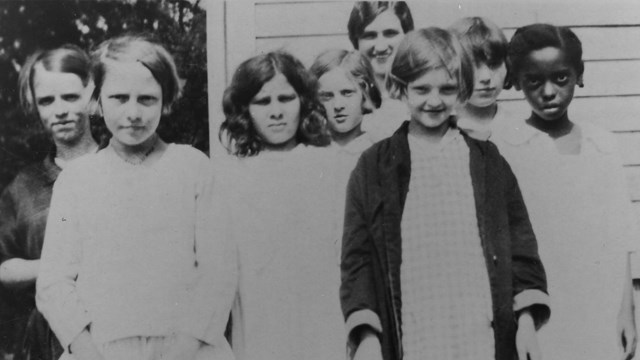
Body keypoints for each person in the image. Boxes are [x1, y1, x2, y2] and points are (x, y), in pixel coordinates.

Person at [340, 27, 550, 360]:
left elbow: (521, 250)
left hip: (479, 333)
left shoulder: (489, 163)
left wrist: (525, 324)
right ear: (400, 86)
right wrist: (366, 337)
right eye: (422, 89)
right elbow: (357, 260)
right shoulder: (374, 167)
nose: (435, 101)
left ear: (463, 88)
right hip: (414, 333)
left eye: (447, 88)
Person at [36, 35, 236, 360]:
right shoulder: (77, 179)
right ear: (96, 101)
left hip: (188, 348)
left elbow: (219, 272)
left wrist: (182, 351)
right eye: (119, 97)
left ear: (166, 101)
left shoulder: (192, 168)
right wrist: (88, 352)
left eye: (146, 99)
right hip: (101, 349)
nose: (133, 113)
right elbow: (54, 283)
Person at [499, 23, 637, 360]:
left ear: (579, 75)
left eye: (560, 78)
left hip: (599, 302)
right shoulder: (508, 146)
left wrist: (627, 310)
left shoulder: (602, 145)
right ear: (517, 81)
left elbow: (619, 236)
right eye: (534, 81)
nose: (548, 92)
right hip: (543, 303)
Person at [217, 51, 344, 360]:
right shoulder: (228, 176)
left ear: (303, 101)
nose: (276, 112)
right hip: (259, 320)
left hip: (323, 320)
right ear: (244, 109)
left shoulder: (330, 164)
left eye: (286, 99)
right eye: (262, 102)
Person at [0, 45, 98, 360]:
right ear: (34, 105)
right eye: (47, 100)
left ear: (92, 95)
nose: (60, 110)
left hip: (120, 329)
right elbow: (5, 266)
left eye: (70, 97)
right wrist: (63, 268)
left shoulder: (122, 169)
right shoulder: (23, 189)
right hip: (47, 342)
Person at [310, 49, 381, 258]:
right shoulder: (309, 156)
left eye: (347, 93)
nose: (338, 105)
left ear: (365, 95)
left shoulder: (379, 154)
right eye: (327, 97)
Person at [347, 1, 413, 141]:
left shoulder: (423, 93)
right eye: (369, 35)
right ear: (356, 42)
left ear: (408, 36)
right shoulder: (345, 97)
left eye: (390, 34)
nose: (381, 47)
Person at [449, 16, 511, 141]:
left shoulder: (521, 129)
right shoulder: (437, 130)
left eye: (494, 64)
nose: (486, 77)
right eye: (472, 66)